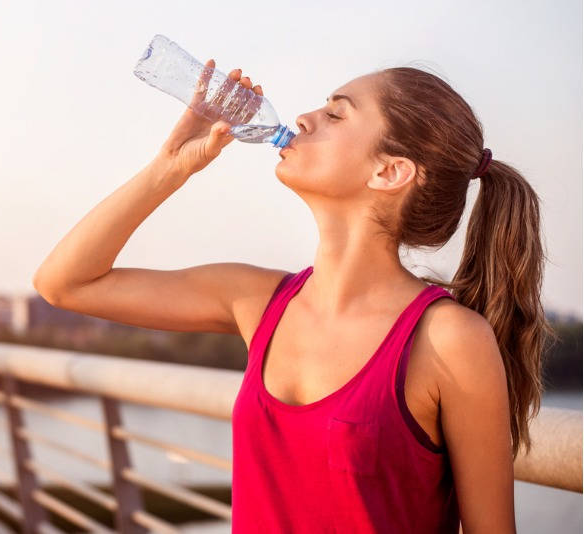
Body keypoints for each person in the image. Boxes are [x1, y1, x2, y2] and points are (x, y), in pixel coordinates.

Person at [33, 59, 553, 533]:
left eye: (335, 114)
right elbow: (65, 283)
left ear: (389, 171)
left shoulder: (449, 341)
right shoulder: (256, 301)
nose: (304, 118)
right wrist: (169, 167)